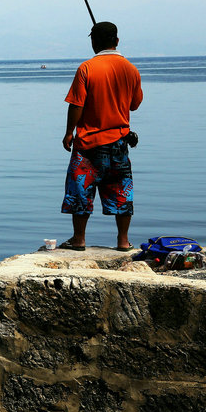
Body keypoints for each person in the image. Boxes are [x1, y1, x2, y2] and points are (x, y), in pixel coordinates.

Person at [59, 21, 143, 251]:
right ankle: (123, 241)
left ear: (94, 42)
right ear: (116, 41)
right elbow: (134, 105)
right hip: (119, 143)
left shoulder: (87, 68)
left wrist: (69, 132)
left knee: (80, 191)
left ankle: (79, 240)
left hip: (88, 144)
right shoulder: (131, 69)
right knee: (122, 190)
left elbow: (76, 104)